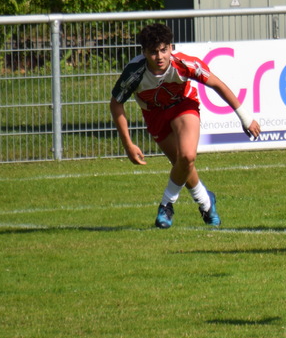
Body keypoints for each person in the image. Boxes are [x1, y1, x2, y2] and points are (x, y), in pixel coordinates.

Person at [109, 23, 261, 228]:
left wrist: (245, 117)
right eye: (153, 52)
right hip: (154, 114)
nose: (160, 56)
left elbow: (217, 84)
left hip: (183, 106)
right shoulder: (134, 72)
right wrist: (128, 144)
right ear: (144, 52)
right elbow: (116, 103)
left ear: (171, 48)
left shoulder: (184, 63)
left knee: (187, 156)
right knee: (182, 165)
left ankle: (166, 205)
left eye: (164, 50)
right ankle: (206, 202)